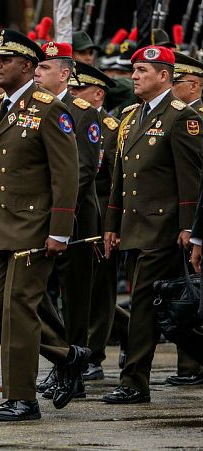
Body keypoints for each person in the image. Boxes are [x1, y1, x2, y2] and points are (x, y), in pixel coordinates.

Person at [0, 29, 90, 421]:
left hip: (33, 228)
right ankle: (68, 355)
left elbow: (66, 174)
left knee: (18, 309)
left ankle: (21, 398)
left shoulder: (48, 108)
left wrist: (59, 230)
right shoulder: (1, 108)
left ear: (27, 66)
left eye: (4, 61)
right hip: (0, 228)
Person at [103, 46, 203, 404]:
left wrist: (190, 228)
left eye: (142, 70)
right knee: (166, 306)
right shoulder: (131, 117)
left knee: (145, 305)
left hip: (163, 230)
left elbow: (191, 180)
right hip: (134, 227)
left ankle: (134, 382)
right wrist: (112, 222)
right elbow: (120, 177)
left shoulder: (181, 117)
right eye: (134, 71)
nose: (134, 76)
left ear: (164, 75)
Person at [34, 41, 102, 400]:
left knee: (74, 298)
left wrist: (57, 210)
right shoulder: (34, 107)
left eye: (44, 68)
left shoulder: (82, 111)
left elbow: (86, 169)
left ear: (64, 74)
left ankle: (74, 371)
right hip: (38, 218)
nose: (37, 73)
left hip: (75, 219)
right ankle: (61, 361)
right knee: (42, 296)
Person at [68, 61, 130, 381]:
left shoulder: (110, 128)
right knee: (79, 290)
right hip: (74, 214)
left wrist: (112, 224)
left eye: (78, 89)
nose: (72, 93)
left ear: (97, 94)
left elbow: (115, 180)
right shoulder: (68, 120)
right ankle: (124, 331)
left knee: (100, 289)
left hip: (102, 214)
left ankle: (93, 354)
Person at [166, 51, 203, 386]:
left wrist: (191, 224)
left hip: (193, 215)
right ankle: (189, 366)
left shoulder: (193, 118)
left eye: (176, 81)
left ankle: (192, 365)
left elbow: (194, 175)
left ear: (194, 84)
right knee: (187, 294)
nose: (171, 86)